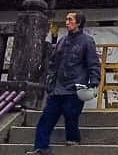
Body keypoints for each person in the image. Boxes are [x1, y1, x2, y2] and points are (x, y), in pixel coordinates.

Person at [27, 11, 101, 155]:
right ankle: (41, 147)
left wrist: (94, 81)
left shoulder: (87, 41)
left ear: (78, 22)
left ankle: (73, 138)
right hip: (58, 87)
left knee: (71, 114)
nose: (66, 22)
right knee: (47, 117)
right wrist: (50, 79)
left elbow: (93, 63)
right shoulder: (61, 41)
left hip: (76, 86)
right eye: (66, 19)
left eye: (70, 19)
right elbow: (53, 63)